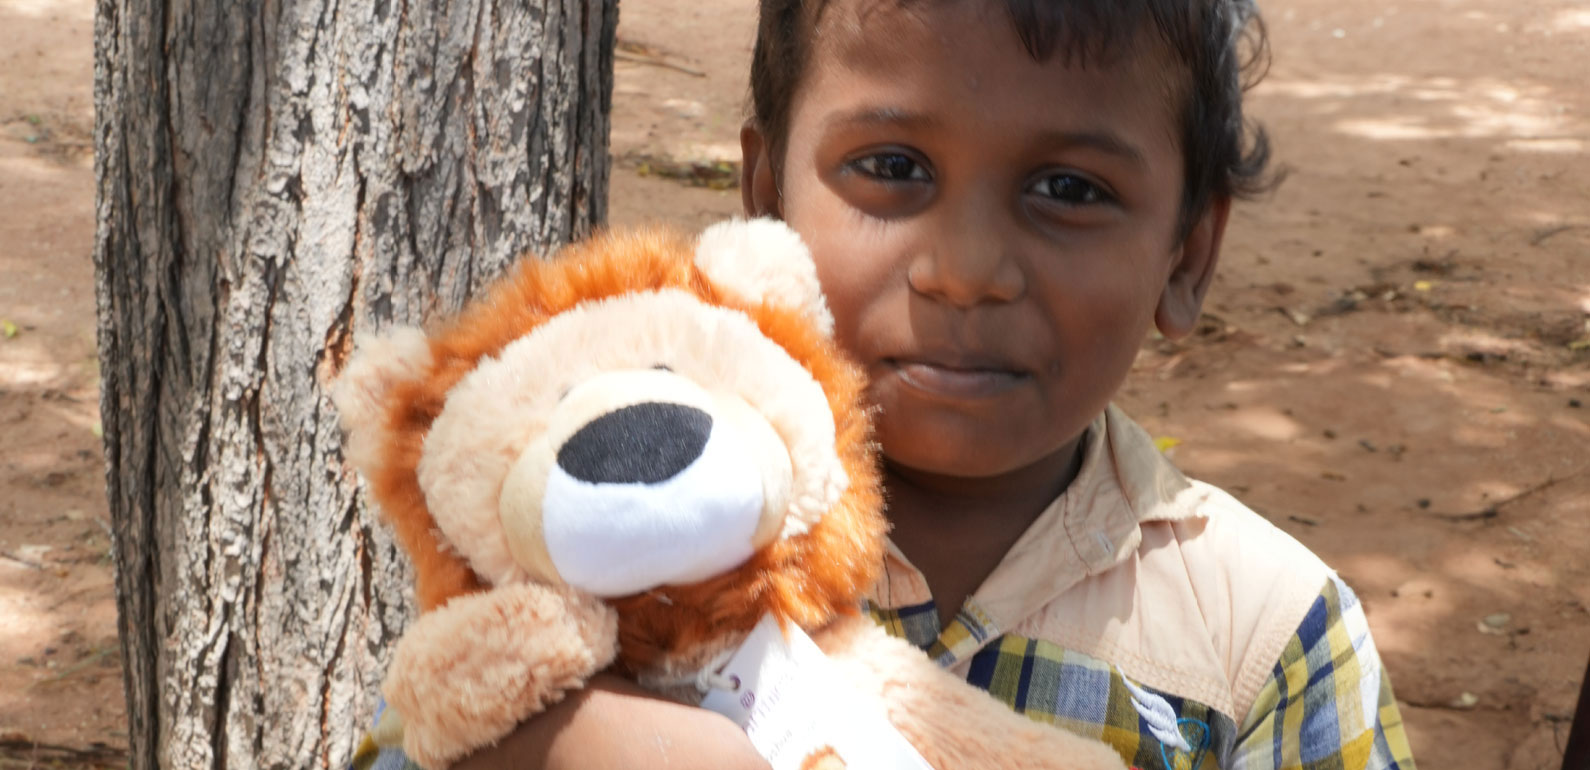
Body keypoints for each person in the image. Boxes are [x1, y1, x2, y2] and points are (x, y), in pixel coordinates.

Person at [353, 0, 1419, 767]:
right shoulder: (613, 521)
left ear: (1186, 253)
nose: (965, 268)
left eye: (1068, 188)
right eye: (894, 167)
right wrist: (560, 744)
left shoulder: (1268, 642)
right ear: (766, 197)